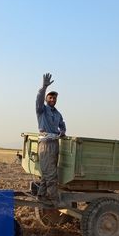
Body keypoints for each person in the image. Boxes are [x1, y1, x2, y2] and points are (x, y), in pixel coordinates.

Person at [35, 73, 66, 203]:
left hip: (55, 144)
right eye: (50, 98)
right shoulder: (41, 110)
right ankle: (54, 199)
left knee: (48, 172)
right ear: (46, 99)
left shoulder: (58, 113)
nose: (52, 99)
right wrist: (44, 87)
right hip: (46, 144)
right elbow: (38, 100)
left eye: (54, 98)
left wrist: (63, 131)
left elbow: (62, 124)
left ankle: (41, 195)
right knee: (51, 174)